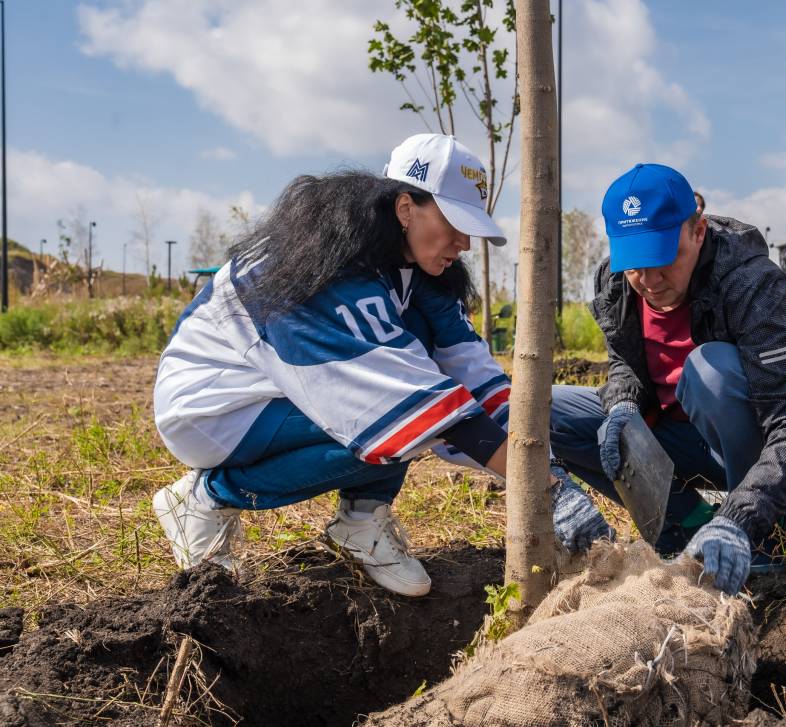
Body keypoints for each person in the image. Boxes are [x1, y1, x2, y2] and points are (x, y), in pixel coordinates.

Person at [153, 133, 611, 597]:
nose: (465, 243)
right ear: (405, 207)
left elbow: (475, 377)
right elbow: (413, 399)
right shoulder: (324, 265)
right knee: (413, 419)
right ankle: (206, 499)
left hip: (278, 393)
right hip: (216, 406)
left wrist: (549, 472)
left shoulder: (415, 269)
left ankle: (360, 519)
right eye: (454, 223)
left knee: (426, 409)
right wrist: (545, 488)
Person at [550, 163, 786, 596]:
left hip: (757, 452)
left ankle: (758, 538)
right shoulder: (617, 282)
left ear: (698, 231)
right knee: (547, 407)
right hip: (678, 440)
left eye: (663, 259)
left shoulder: (752, 284)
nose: (649, 281)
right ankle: (686, 524)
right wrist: (622, 405)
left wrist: (742, 516)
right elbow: (624, 364)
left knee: (708, 371)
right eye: (635, 264)